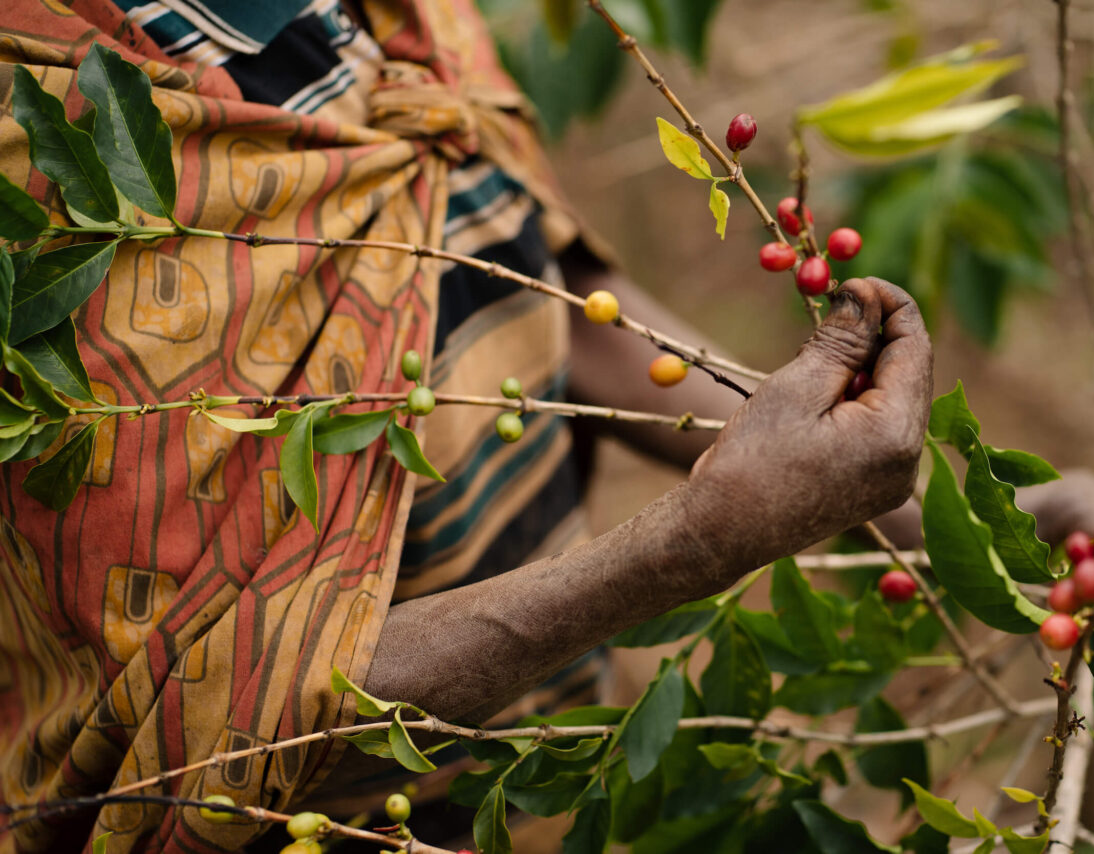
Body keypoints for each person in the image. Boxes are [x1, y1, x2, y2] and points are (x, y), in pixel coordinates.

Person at [0, 1, 936, 852]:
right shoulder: (28, 127)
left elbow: (526, 278)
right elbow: (209, 717)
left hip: (522, 776)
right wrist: (696, 543)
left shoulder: (400, 18)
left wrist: (940, 515)